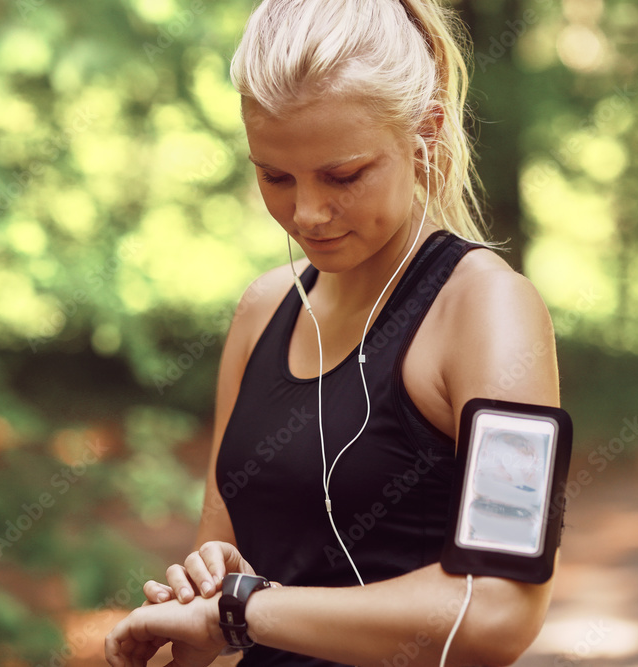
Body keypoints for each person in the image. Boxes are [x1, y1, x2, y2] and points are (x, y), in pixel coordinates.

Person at [105, 0, 560, 665]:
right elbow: (224, 574)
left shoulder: (489, 310)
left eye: (343, 175)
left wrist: (242, 609)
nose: (308, 213)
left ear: (424, 131)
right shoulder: (262, 309)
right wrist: (198, 604)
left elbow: (498, 608)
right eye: (275, 176)